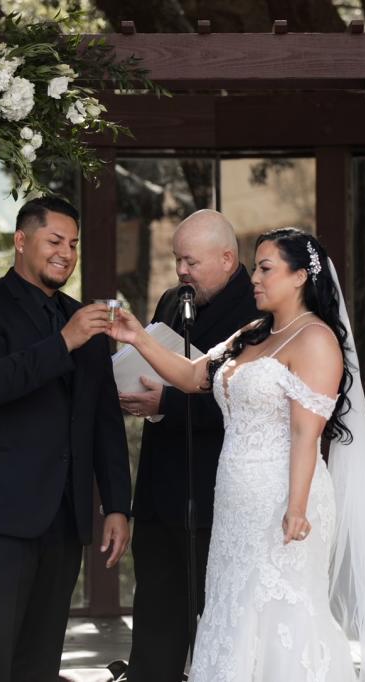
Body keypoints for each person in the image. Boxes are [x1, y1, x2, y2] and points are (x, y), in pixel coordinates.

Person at [108, 227, 365, 681]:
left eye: (264, 268)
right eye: (255, 267)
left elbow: (305, 433)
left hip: (283, 498)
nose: (254, 278)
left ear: (300, 276)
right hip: (236, 502)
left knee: (280, 613)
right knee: (232, 611)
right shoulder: (254, 332)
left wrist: (296, 508)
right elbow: (192, 377)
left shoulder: (316, 339)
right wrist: (139, 338)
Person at [0, 196, 132, 682]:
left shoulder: (83, 318)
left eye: (73, 244)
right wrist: (64, 341)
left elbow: (104, 419)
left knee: (42, 657)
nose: (66, 252)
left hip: (63, 517)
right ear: (21, 242)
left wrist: (116, 505)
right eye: (55, 241)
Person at [118, 210, 258, 682]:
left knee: (222, 625)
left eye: (190, 262)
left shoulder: (259, 312)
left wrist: (172, 403)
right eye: (177, 259)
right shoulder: (170, 302)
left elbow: (256, 404)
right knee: (155, 621)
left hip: (218, 494)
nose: (181, 271)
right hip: (160, 491)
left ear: (226, 258)